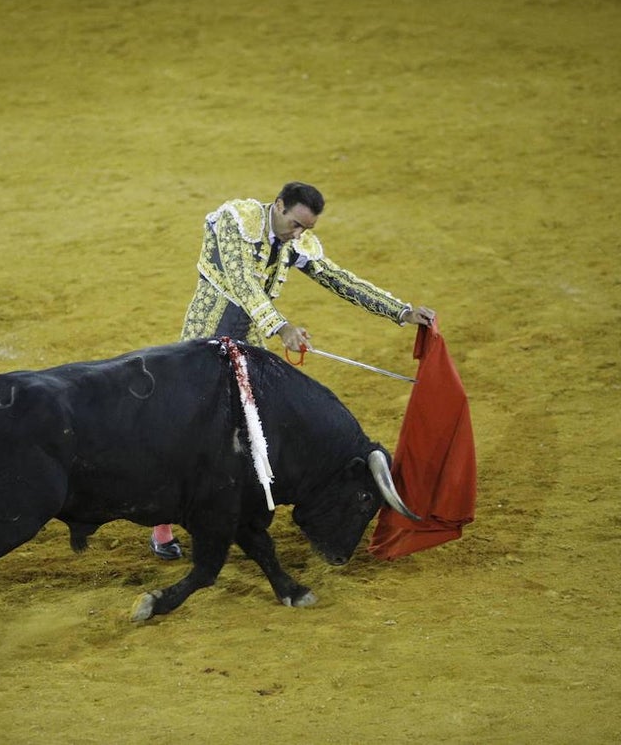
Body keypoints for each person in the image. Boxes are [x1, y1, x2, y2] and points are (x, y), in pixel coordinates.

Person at [149, 181, 436, 560]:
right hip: (204, 338)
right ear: (279, 205)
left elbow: (337, 277)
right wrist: (281, 327)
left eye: (307, 229)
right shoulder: (236, 220)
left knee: (251, 430)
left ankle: (237, 513)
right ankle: (162, 524)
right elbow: (243, 283)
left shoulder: (293, 238)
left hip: (251, 344)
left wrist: (399, 310)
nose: (298, 234)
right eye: (296, 224)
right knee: (189, 429)